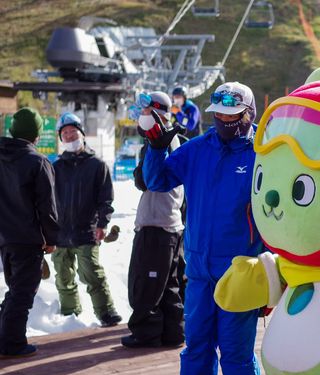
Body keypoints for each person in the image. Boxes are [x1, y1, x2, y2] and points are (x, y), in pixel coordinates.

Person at [143, 82, 263, 375]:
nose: (224, 120)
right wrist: (156, 147)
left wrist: (270, 273)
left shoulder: (263, 155)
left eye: (232, 115)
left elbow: (275, 215)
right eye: (219, 115)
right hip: (198, 272)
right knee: (196, 348)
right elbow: (157, 180)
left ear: (249, 114)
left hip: (239, 275)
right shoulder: (198, 148)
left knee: (237, 356)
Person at [121, 91, 186, 349]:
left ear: (156, 114)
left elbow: (146, 181)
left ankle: (145, 333)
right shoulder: (168, 141)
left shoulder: (162, 142)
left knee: (146, 283)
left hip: (157, 224)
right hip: (168, 224)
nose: (141, 118)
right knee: (167, 284)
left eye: (145, 113)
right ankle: (173, 332)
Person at [51, 112, 122, 327]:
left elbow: (105, 199)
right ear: (61, 139)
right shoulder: (55, 168)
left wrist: (102, 224)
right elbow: (48, 202)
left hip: (86, 231)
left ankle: (106, 312)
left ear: (82, 134)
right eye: (65, 133)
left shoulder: (97, 166)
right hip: (60, 234)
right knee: (64, 278)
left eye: (73, 131)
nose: (70, 136)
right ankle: (70, 315)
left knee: (93, 274)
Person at [0, 107, 59, 358]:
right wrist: (51, 238)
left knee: (15, 291)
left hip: (4, 238)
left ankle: (4, 337)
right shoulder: (38, 162)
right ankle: (13, 344)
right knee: (22, 294)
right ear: (36, 135)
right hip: (27, 238)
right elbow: (46, 206)